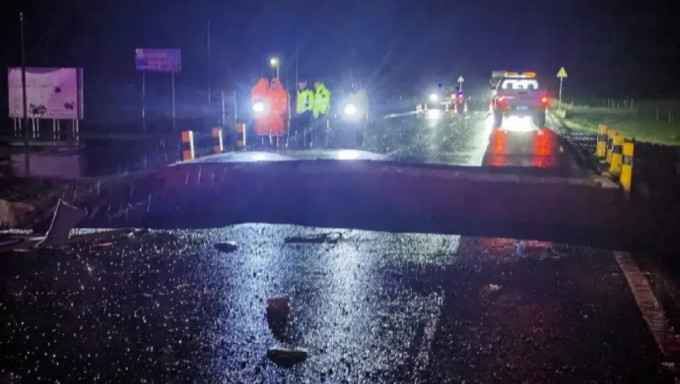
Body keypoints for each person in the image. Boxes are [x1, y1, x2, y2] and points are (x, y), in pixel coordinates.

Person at [290, 79, 314, 149]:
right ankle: (300, 145)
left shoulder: (309, 92)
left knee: (307, 130)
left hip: (306, 113)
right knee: (299, 130)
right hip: (298, 114)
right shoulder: (297, 92)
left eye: (303, 83)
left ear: (305, 84)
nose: (301, 85)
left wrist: (308, 111)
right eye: (300, 83)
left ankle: (308, 145)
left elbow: (311, 103)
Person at [268, 78, 289, 147]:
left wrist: (281, 112)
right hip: (272, 116)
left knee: (281, 131)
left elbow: (284, 103)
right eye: (272, 84)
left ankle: (281, 144)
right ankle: (274, 145)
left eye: (274, 84)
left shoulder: (282, 92)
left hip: (280, 116)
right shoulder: (270, 93)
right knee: (273, 131)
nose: (273, 86)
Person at [311, 79, 331, 148]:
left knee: (321, 130)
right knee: (318, 130)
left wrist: (322, 113)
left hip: (321, 114)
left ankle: (322, 145)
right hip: (317, 115)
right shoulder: (318, 91)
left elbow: (325, 102)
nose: (314, 85)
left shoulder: (322, 91)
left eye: (315, 84)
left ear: (318, 83)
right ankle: (319, 144)